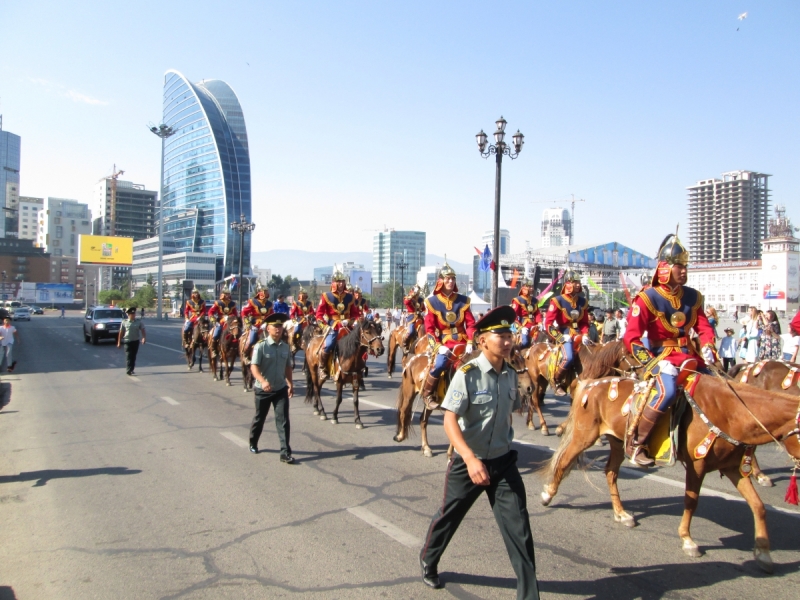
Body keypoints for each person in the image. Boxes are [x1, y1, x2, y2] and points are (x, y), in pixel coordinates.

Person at [419, 305, 539, 598]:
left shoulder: (511, 374)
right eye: (500, 336)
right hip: (468, 462)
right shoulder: (467, 374)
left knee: (520, 531)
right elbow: (449, 419)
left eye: (510, 335)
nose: (508, 341)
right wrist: (470, 458)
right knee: (449, 517)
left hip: (502, 462)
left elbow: (508, 412)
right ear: (483, 340)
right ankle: (428, 560)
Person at [623, 232, 718, 467]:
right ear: (664, 268)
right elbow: (632, 338)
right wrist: (652, 362)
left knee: (719, 387)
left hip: (690, 355)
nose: (684, 271)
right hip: (662, 357)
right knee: (666, 392)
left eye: (685, 266)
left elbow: (704, 327)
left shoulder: (693, 297)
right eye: (679, 266)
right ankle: (637, 443)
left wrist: (708, 346)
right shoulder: (647, 298)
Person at [421, 263, 476, 409]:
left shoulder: (463, 301)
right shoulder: (431, 302)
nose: (451, 281)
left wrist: (471, 341)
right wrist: (438, 347)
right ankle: (428, 395)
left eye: (453, 279)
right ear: (440, 281)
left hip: (464, 341)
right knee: (439, 364)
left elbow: (470, 324)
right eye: (447, 279)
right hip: (445, 343)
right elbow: (430, 329)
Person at [249, 312, 295, 463]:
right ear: (268, 329)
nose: (278, 329)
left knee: (283, 420)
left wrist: (290, 384)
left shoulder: (285, 347)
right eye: (275, 326)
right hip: (263, 390)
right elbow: (254, 367)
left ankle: (285, 452)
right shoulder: (261, 346)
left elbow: (288, 367)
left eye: (280, 326)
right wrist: (262, 381)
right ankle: (253, 441)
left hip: (280, 388)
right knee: (259, 419)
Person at [543, 270, 589, 395]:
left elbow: (584, 322)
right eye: (575, 282)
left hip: (579, 334)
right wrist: (561, 336)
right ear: (568, 284)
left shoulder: (582, 302)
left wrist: (585, 334)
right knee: (568, 357)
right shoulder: (557, 300)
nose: (578, 285)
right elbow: (548, 324)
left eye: (579, 282)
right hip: (565, 333)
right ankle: (556, 380)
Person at [315, 271, 359, 380]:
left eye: (342, 281)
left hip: (347, 325)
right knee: (329, 344)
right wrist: (325, 326)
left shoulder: (350, 297)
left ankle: (358, 367)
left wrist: (350, 321)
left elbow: (355, 313)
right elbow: (319, 315)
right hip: (333, 325)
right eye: (339, 281)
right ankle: (322, 367)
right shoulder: (326, 296)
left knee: (360, 343)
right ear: (334, 283)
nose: (341, 284)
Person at [241, 284, 273, 353]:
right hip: (255, 324)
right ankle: (246, 355)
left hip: (266, 324)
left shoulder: (269, 304)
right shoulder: (252, 302)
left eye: (267, 291)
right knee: (252, 339)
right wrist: (247, 323)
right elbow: (244, 312)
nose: (267, 293)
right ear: (261, 292)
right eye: (265, 291)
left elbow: (272, 315)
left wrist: (269, 322)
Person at [510, 278, 541, 348]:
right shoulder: (517, 300)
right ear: (524, 287)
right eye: (529, 287)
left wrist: (540, 323)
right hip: (523, 325)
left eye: (531, 287)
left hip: (534, 326)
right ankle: (518, 356)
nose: (531, 288)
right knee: (525, 342)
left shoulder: (534, 300)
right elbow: (513, 315)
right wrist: (520, 328)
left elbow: (537, 313)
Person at [117, 307, 146, 376]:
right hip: (127, 341)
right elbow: (121, 332)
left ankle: (131, 368)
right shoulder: (124, 322)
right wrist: (119, 342)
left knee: (133, 356)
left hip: (135, 341)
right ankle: (128, 369)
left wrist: (144, 338)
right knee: (128, 355)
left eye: (134, 314)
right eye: (132, 314)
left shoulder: (138, 322)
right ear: (128, 315)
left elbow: (143, 330)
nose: (133, 315)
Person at [402, 285, 425, 350]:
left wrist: (423, 311)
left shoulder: (420, 299)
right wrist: (412, 295)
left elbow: (423, 308)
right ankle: (405, 342)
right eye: (416, 291)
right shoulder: (409, 298)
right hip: (412, 317)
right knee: (411, 331)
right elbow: (406, 302)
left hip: (420, 317)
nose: (418, 293)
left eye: (418, 292)